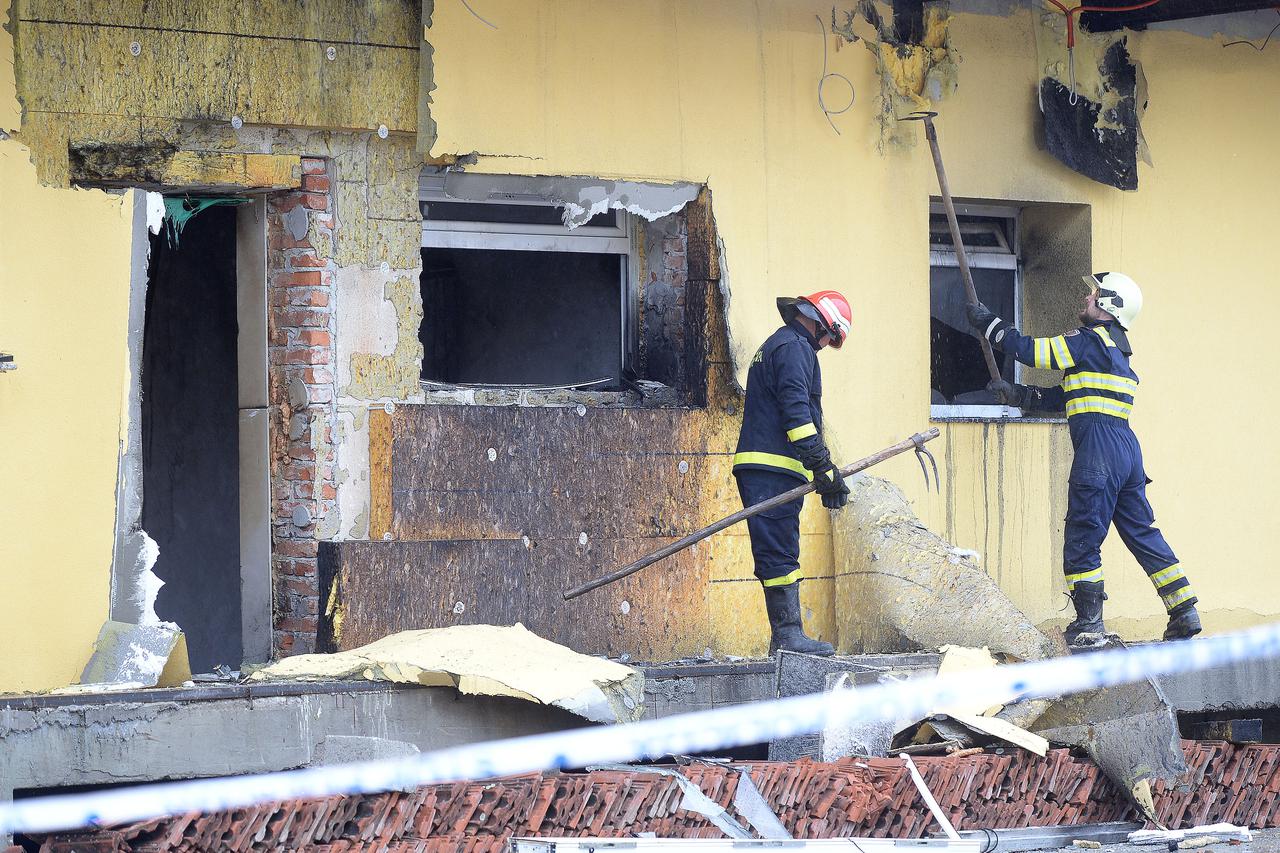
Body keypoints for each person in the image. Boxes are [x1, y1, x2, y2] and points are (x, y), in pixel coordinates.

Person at [967, 272, 1201, 646]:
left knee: (1082, 536)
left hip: (1098, 450)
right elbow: (1066, 398)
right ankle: (1184, 609)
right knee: (1142, 531)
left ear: (1108, 305)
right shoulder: (1117, 353)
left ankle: (1089, 622)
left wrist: (990, 325)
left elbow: (1032, 351)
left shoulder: (1090, 341)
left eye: (1093, 295)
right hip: (1126, 450)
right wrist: (1018, 395)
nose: (1085, 299)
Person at [732, 290, 853, 656]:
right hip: (773, 468)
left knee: (777, 550)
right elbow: (798, 416)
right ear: (821, 323)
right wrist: (823, 466)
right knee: (780, 552)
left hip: (770, 467)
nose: (828, 344)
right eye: (831, 336)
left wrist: (819, 469)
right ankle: (788, 636)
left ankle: (784, 639)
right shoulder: (795, 349)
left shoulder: (781, 345)